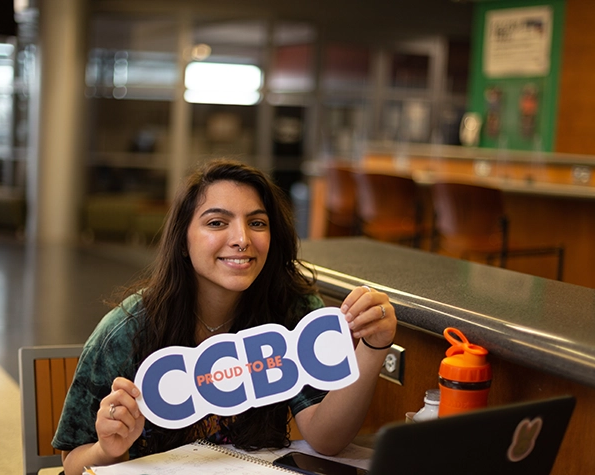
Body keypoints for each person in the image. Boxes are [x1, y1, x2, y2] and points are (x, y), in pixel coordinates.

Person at [53, 159, 396, 474]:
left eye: (257, 223)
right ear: (183, 240)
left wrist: (373, 346)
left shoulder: (293, 312)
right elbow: (71, 463)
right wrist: (108, 449)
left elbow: (327, 438)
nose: (242, 239)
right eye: (217, 222)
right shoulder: (126, 331)